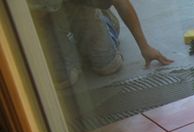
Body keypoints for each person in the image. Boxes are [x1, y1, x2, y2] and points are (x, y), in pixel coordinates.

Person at [31, 0, 172, 88]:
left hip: (81, 5)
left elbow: (122, 2)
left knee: (108, 66)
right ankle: (71, 41)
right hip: (47, 16)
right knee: (64, 79)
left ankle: (106, 20)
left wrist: (144, 47)